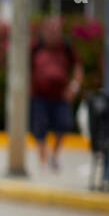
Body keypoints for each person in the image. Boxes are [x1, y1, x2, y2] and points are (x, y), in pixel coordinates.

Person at [29, 17, 83, 172]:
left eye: (56, 29)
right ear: (44, 31)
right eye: (50, 29)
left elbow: (78, 67)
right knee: (40, 128)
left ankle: (54, 155)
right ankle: (43, 160)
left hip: (61, 96)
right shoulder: (36, 47)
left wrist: (74, 87)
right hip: (39, 95)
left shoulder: (65, 47)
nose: (53, 32)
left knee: (64, 124)